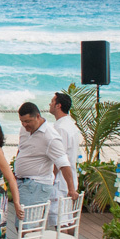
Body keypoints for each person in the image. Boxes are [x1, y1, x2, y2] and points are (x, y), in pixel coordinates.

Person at [14, 102, 78, 237]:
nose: (25, 125)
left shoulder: (50, 136)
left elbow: (64, 164)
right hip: (22, 182)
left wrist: (71, 189)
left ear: (37, 116)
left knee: (25, 226)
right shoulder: (24, 130)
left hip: (37, 184)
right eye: (22, 121)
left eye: (27, 121)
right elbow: (22, 149)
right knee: (27, 225)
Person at [48, 92, 82, 228]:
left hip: (61, 182)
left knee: (60, 222)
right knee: (67, 219)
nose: (50, 104)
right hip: (70, 177)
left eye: (52, 102)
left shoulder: (60, 128)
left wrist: (52, 177)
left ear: (58, 105)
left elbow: (59, 157)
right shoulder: (71, 125)